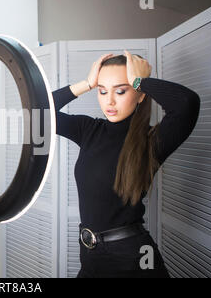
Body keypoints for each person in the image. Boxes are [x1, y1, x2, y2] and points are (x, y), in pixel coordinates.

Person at [53, 51, 200, 278]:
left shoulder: (152, 141)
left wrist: (140, 81)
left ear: (140, 95)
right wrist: (86, 83)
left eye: (121, 90)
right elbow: (36, 112)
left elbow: (187, 103)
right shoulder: (88, 130)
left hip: (134, 256)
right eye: (102, 91)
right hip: (90, 254)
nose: (109, 100)